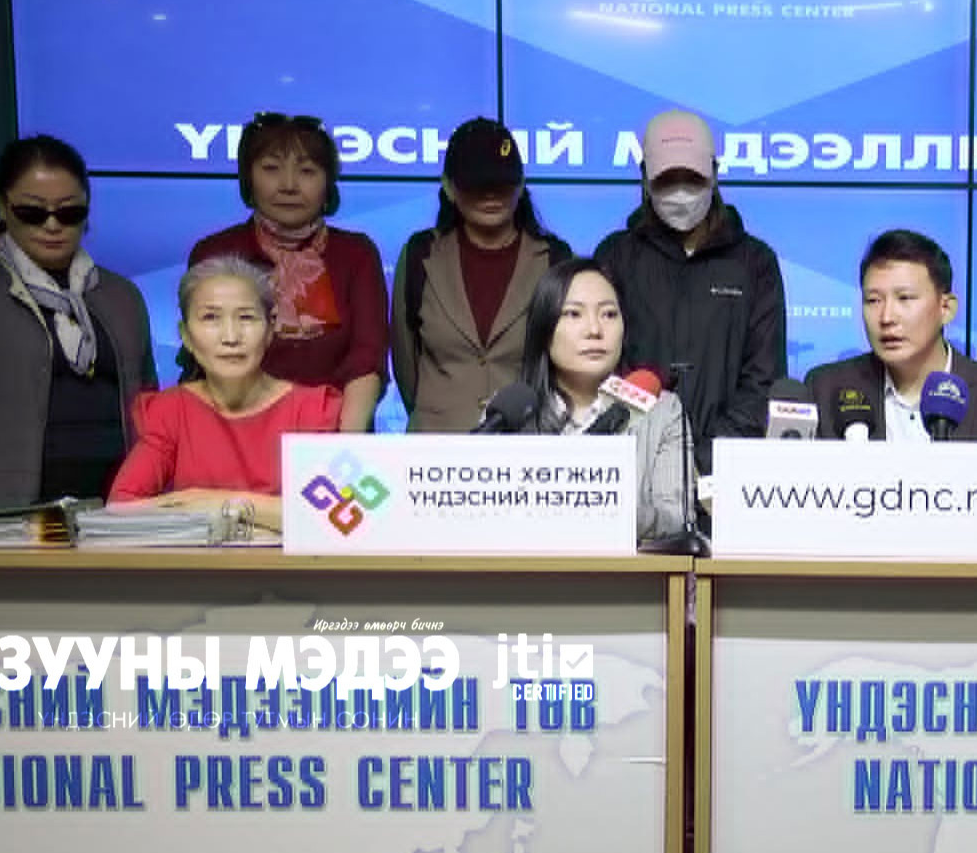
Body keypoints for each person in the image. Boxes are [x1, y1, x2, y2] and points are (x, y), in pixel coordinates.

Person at [0, 135, 156, 508]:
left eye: (69, 212)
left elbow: (151, 416)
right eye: (33, 212)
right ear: (3, 207)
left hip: (117, 516)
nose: (52, 225)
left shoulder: (122, 296)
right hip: (5, 519)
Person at [593, 109, 784, 474]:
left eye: (693, 179)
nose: (680, 192)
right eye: (667, 180)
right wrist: (650, 456)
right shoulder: (615, 256)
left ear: (715, 172)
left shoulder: (756, 263)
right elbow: (601, 367)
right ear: (644, 177)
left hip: (725, 474)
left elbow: (763, 380)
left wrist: (705, 463)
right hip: (635, 467)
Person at [107, 258, 342, 530]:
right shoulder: (171, 410)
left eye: (246, 317)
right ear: (186, 336)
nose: (231, 337)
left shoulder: (311, 410)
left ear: (270, 328)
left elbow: (327, 516)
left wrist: (215, 502)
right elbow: (120, 508)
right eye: (211, 318)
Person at [188, 113, 387, 432]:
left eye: (307, 171)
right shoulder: (215, 253)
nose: (289, 186)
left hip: (333, 434)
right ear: (248, 178)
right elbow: (206, 361)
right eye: (271, 169)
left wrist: (340, 444)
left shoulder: (356, 254)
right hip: (233, 433)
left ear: (328, 183)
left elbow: (366, 358)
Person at [392, 118, 573, 432]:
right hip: (436, 444)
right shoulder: (420, 255)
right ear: (449, 186)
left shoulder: (554, 258)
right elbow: (406, 365)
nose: (491, 194)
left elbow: (565, 364)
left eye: (502, 183)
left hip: (527, 444)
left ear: (521, 185)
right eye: (477, 184)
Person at [806, 230, 977, 442]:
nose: (886, 317)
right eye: (873, 300)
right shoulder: (825, 390)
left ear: (946, 308)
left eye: (905, 298)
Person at [521, 259, 693, 541]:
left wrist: (597, 506)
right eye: (574, 314)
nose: (594, 330)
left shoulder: (662, 412)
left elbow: (676, 518)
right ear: (544, 328)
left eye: (609, 314)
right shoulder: (509, 413)